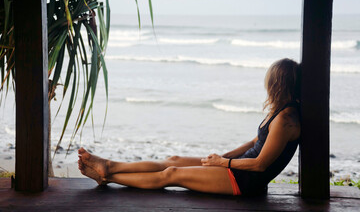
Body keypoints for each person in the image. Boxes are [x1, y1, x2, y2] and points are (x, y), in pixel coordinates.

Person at [78, 58, 301, 196]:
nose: (266, 84)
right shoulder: (280, 111)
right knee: (173, 160)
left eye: (269, 79)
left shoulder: (286, 120)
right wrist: (222, 158)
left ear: (277, 84)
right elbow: (255, 142)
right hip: (236, 168)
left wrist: (223, 163)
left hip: (244, 182)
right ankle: (109, 165)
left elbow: (261, 165)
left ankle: (108, 177)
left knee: (171, 174)